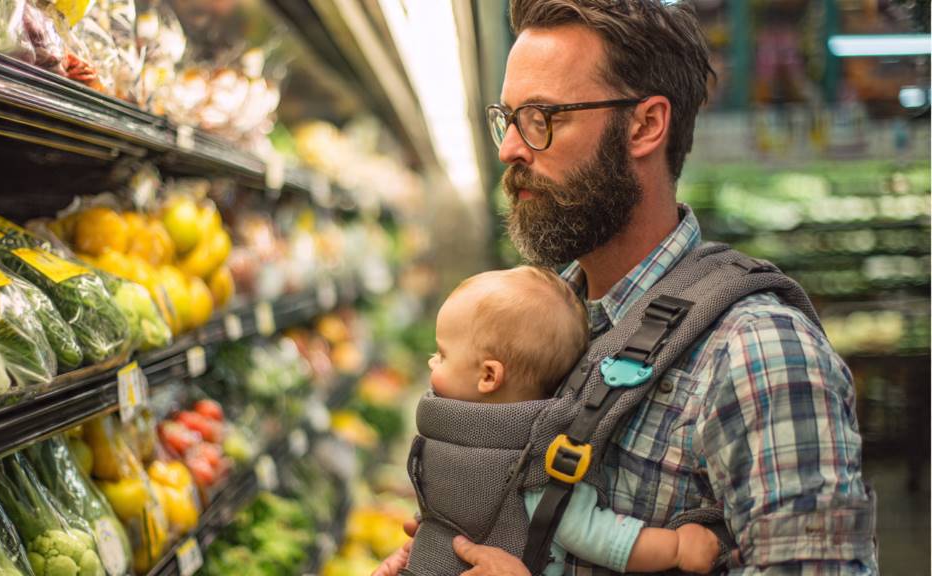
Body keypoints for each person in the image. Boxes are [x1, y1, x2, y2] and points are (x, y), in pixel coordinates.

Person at [376, 0, 877, 574]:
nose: (509, 148)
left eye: (542, 118)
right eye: (508, 118)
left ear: (645, 125)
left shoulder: (760, 355)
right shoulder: (537, 326)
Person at [409, 265, 722, 575]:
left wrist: (675, 549)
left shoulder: (534, 465)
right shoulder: (460, 438)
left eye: (442, 354)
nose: (431, 361)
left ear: (489, 376)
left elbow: (593, 534)